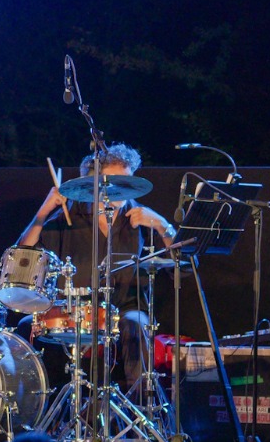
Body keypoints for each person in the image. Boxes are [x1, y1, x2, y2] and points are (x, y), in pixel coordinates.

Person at [17, 142, 173, 392]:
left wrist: (164, 225)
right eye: (111, 183)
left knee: (136, 323)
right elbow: (23, 255)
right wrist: (45, 209)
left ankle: (141, 409)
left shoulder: (141, 217)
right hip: (73, 309)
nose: (120, 191)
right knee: (27, 325)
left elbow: (183, 267)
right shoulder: (70, 214)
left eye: (126, 183)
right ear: (91, 185)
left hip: (124, 308)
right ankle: (36, 410)